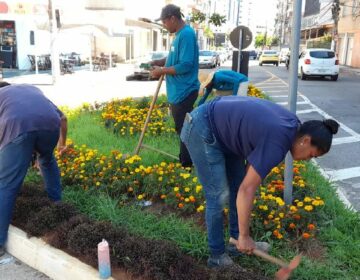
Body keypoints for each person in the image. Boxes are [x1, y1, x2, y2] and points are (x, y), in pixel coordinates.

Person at [180, 95, 339, 268]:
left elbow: (245, 182)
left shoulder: (293, 127)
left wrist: (243, 235)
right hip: (202, 127)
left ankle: (236, 244)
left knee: (237, 185)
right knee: (217, 195)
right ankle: (217, 256)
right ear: (305, 140)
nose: (308, 160)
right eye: (311, 155)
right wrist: (245, 235)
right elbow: (247, 190)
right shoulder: (278, 142)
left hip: (224, 131)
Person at [0, 82, 67, 257]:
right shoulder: (31, 89)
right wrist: (62, 145)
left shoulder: (2, 96)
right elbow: (63, 118)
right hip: (50, 126)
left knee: (7, 184)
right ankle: (57, 205)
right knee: (47, 159)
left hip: (19, 127)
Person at [150, 4, 200, 168]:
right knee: (182, 129)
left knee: (184, 130)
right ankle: (186, 161)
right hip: (177, 91)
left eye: (165, 22)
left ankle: (187, 165)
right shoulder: (179, 35)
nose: (164, 25)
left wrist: (162, 70)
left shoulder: (186, 35)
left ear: (173, 18)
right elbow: (175, 58)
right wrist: (159, 62)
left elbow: (185, 65)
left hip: (184, 90)